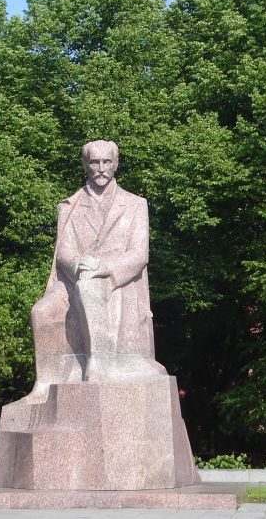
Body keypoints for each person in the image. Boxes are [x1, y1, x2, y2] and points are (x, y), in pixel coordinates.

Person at [28, 139, 165, 402]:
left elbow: (139, 255)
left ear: (115, 164)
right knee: (41, 311)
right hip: (73, 278)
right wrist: (77, 265)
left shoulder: (135, 204)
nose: (101, 168)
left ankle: (99, 366)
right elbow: (63, 253)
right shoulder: (70, 206)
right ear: (85, 165)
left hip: (117, 281)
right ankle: (45, 383)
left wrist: (102, 268)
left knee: (90, 287)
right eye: (94, 162)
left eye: (106, 162)